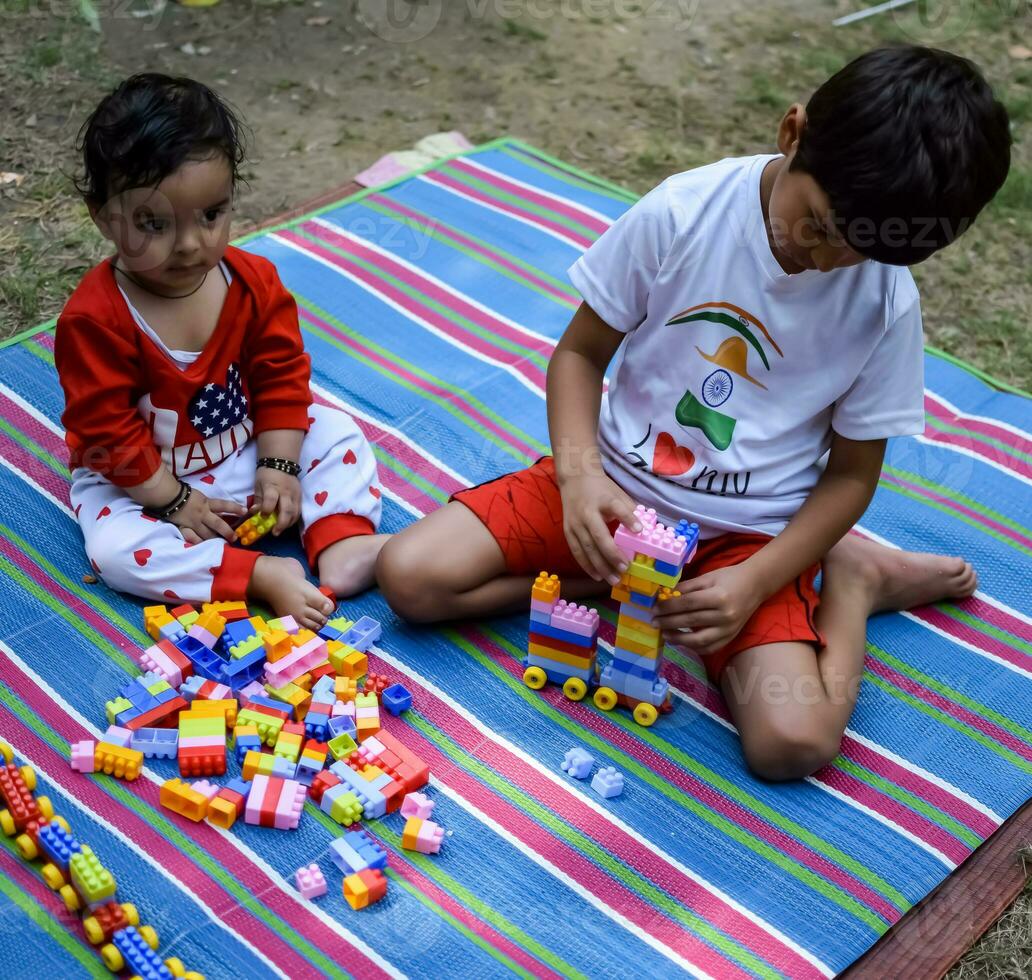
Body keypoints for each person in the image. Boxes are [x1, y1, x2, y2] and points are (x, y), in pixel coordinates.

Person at [377, 45, 1010, 779]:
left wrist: (758, 578)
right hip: (611, 491)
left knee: (794, 743)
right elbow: (580, 355)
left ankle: (857, 582)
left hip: (748, 543)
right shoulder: (684, 212)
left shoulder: (884, 299)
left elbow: (851, 476)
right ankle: (628, 584)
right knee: (411, 578)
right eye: (820, 226)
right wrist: (581, 482)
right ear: (791, 132)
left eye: (864, 251)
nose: (830, 261)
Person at [56, 73, 388, 630]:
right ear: (103, 216)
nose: (190, 244)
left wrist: (280, 465)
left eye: (211, 215)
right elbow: (105, 434)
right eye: (153, 224)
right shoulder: (96, 320)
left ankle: (340, 539)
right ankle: (253, 573)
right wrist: (172, 501)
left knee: (337, 434)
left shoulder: (253, 282)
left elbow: (282, 378)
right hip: (143, 480)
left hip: (245, 450)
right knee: (115, 552)